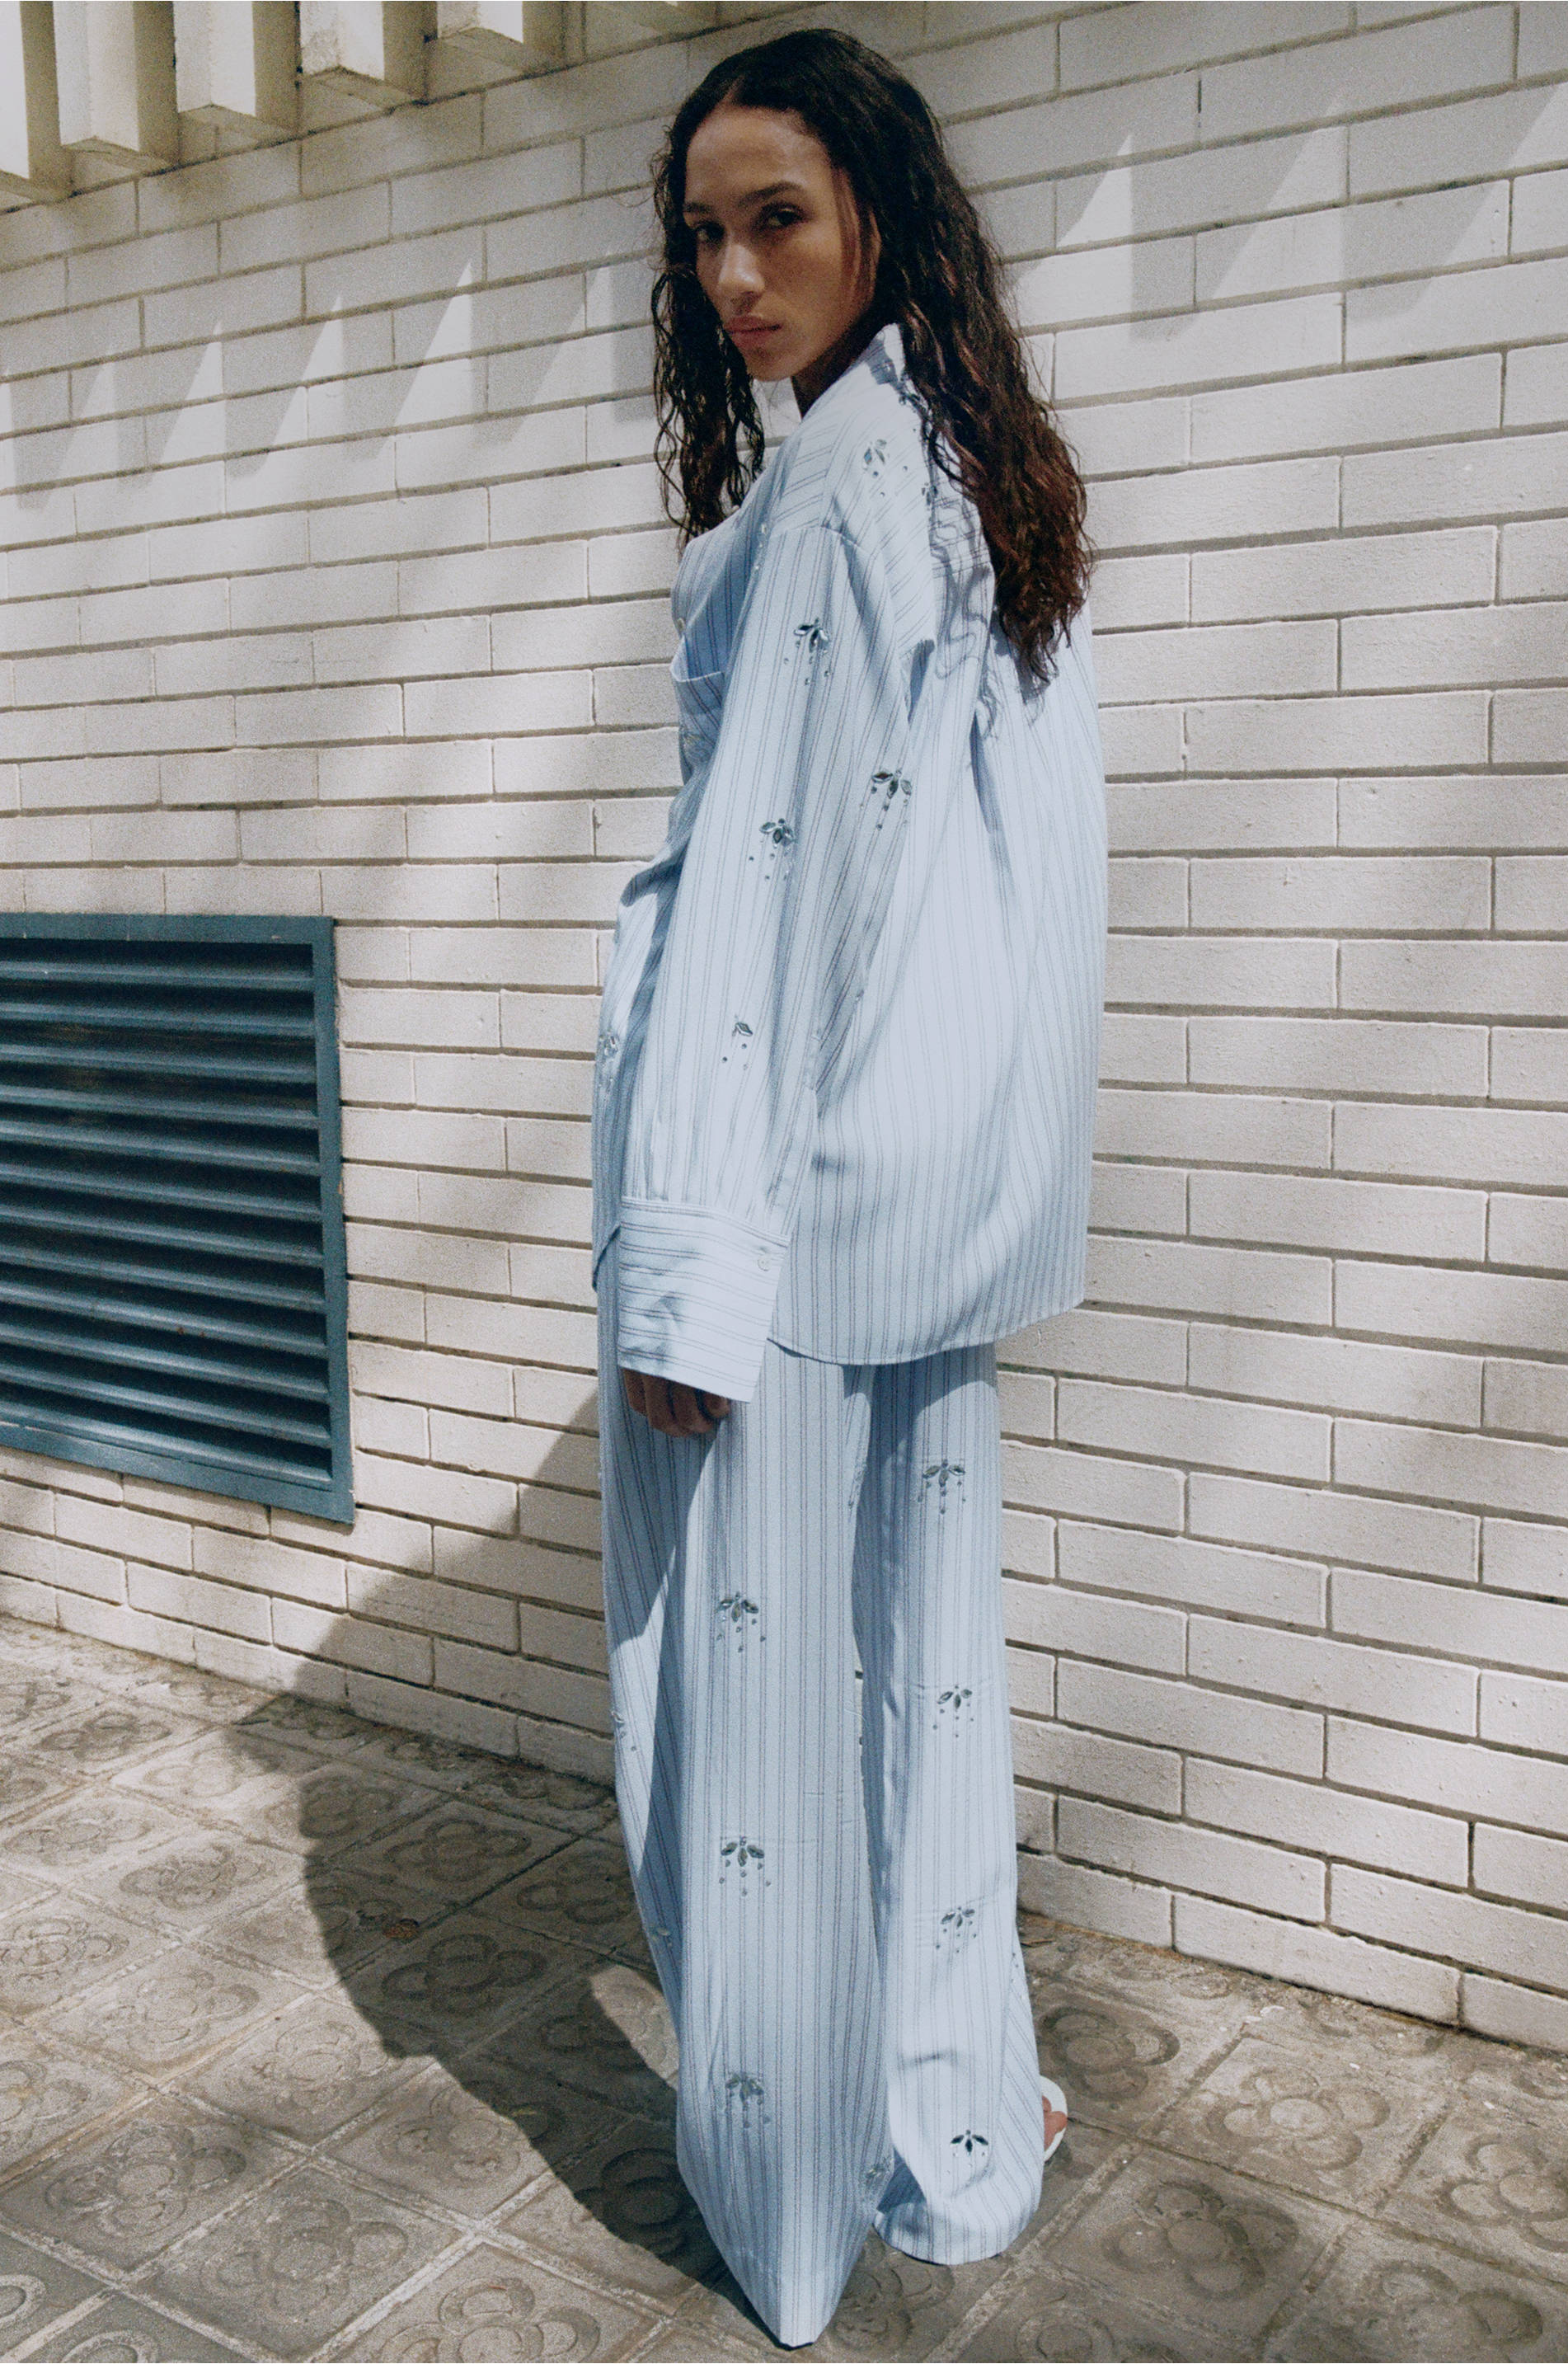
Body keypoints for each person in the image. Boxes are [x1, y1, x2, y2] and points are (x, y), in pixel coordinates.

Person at [588, 26, 1106, 2348]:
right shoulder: (980, 471)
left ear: (882, 209)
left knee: (759, 1743)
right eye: (704, 233)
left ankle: (790, 2201)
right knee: (924, 1696)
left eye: (774, 217)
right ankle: (951, 2122)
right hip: (918, 1206)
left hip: (785, 1227)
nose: (731, 275)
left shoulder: (841, 493)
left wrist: (690, 1272)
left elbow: (772, 903)